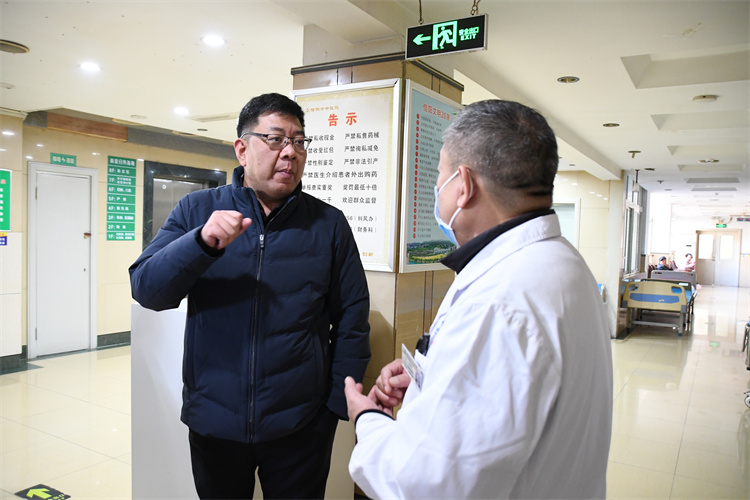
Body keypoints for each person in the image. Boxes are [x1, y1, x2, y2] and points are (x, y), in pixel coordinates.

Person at [344, 100, 613, 499]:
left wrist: (367, 419)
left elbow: (430, 487)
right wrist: (432, 375)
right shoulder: (563, 262)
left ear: (463, 185)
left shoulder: (499, 302)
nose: (437, 189)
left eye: (440, 175)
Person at [129, 93, 371, 499]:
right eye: (275, 139)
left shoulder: (328, 224)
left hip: (301, 425)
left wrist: (333, 405)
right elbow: (147, 289)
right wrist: (201, 243)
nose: (290, 152)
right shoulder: (196, 210)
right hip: (214, 420)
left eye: (299, 141)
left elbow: (352, 317)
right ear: (242, 149)